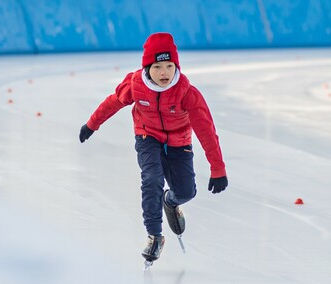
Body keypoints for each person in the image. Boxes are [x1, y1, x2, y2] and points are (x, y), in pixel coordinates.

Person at [79, 32, 228, 262]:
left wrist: (217, 168)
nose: (164, 73)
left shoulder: (186, 92)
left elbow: (206, 130)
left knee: (186, 192)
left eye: (169, 66)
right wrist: (92, 124)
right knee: (152, 178)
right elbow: (112, 103)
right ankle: (154, 236)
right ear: (148, 67)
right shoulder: (135, 85)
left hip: (179, 140)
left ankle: (170, 202)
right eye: (158, 66)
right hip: (147, 135)